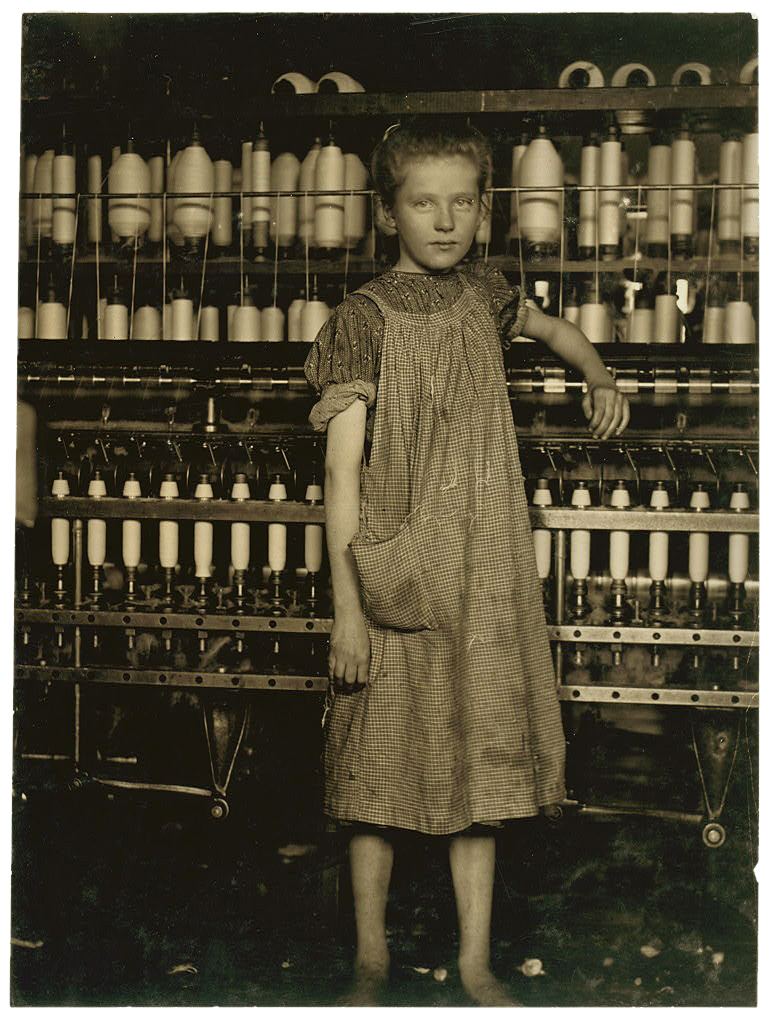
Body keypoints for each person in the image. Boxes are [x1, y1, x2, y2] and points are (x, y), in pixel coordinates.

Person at [304, 119, 629, 1006]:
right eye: (421, 203)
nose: (443, 220)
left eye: (460, 202)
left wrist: (598, 378)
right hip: (393, 573)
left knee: (479, 771)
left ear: (483, 210)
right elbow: (339, 475)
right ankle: (371, 959)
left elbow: (557, 331)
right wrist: (348, 610)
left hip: (481, 574)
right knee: (373, 772)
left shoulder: (488, 294)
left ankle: (476, 963)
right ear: (385, 213)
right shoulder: (359, 321)